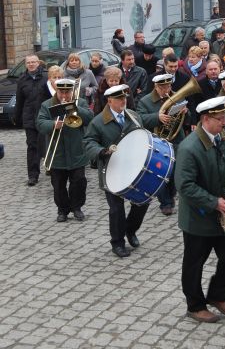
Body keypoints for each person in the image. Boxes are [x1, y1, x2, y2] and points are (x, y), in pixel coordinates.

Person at [174, 96, 225, 323]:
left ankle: (217, 295)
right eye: (220, 118)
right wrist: (214, 202)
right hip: (200, 217)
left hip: (223, 214)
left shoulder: (221, 137)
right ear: (206, 119)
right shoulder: (189, 148)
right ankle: (195, 306)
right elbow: (184, 186)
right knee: (194, 263)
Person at [83, 84, 149, 258]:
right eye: (119, 99)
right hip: (111, 170)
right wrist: (102, 152)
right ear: (109, 101)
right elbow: (89, 142)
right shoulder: (98, 121)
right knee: (116, 209)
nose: (123, 101)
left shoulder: (133, 116)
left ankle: (130, 230)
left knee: (142, 202)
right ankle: (117, 243)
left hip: (134, 168)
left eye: (125, 98)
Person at [37, 79, 93, 222]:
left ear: (71, 91)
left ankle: (77, 208)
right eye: (61, 91)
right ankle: (62, 210)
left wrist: (75, 108)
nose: (64, 95)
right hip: (57, 153)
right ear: (57, 90)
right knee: (58, 185)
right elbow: (40, 123)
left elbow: (89, 118)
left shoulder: (79, 102)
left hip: (77, 151)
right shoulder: (47, 104)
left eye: (67, 92)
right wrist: (52, 124)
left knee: (79, 182)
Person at [137, 74, 187, 216]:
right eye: (162, 87)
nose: (166, 89)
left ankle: (170, 196)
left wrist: (185, 113)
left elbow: (187, 120)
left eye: (168, 86)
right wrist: (156, 117)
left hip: (176, 139)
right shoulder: (145, 101)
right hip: (158, 141)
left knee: (175, 170)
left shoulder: (177, 97)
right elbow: (140, 118)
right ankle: (165, 202)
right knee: (162, 172)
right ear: (156, 86)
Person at [14, 54, 48, 186]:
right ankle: (33, 175)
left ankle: (50, 167)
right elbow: (19, 100)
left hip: (44, 117)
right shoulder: (22, 79)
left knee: (45, 145)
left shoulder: (46, 77)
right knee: (32, 146)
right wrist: (16, 118)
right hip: (29, 117)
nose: (31, 64)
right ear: (26, 64)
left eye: (34, 62)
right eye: (29, 63)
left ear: (38, 63)